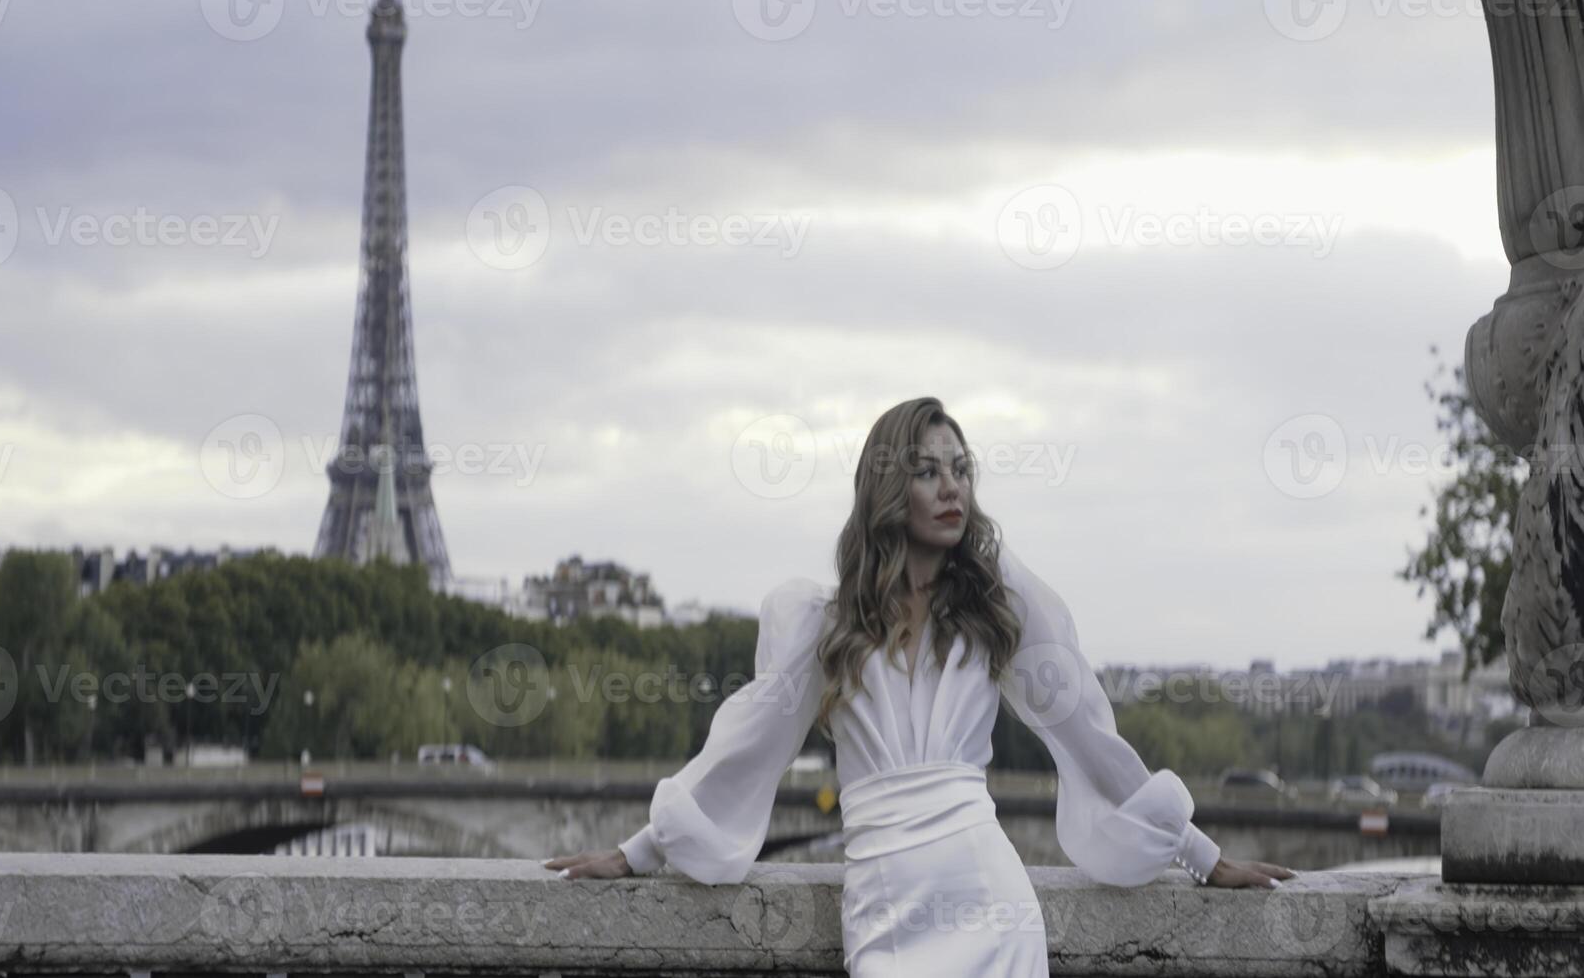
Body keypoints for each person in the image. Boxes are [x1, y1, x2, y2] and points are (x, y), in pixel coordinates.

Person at [545, 396, 1295, 975]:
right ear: (887, 487)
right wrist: (639, 852)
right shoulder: (826, 626)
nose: (951, 488)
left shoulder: (996, 614)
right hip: (885, 912)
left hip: (991, 905)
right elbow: (748, 749)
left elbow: (1089, 738)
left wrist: (1201, 856)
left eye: (961, 469)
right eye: (928, 470)